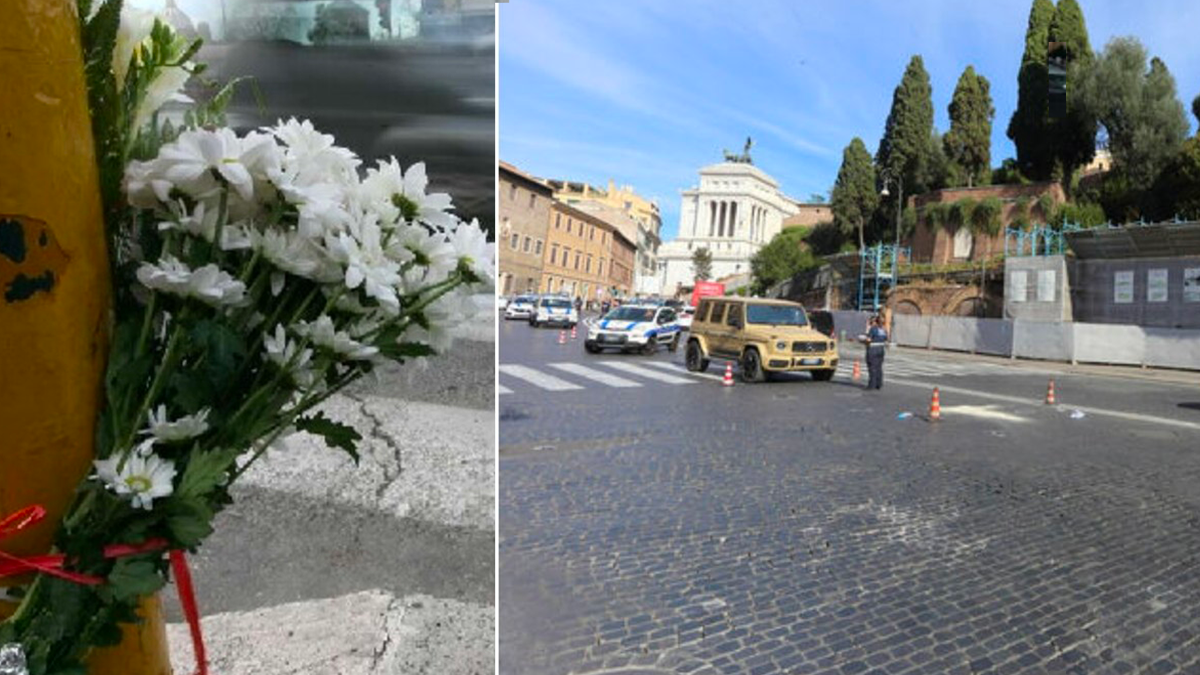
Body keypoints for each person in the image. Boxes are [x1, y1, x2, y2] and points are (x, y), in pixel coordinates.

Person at [858, 315, 888, 390]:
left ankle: (871, 385)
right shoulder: (884, 330)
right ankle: (879, 384)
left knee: (872, 368)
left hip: (873, 350)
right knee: (879, 367)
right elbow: (885, 339)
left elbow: (869, 340)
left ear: (875, 321)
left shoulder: (873, 329)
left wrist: (862, 340)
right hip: (881, 350)